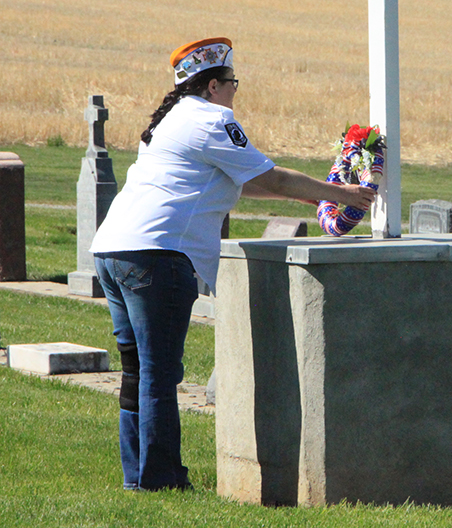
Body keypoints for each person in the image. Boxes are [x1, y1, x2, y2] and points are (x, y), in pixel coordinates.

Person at [89, 37, 376, 491]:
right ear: (213, 86)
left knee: (136, 369)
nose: (234, 92)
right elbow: (272, 177)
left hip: (113, 249)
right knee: (159, 373)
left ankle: (137, 477)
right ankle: (160, 481)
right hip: (158, 256)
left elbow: (243, 182)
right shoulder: (214, 119)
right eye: (232, 83)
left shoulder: (172, 119)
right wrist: (343, 194)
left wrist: (310, 195)